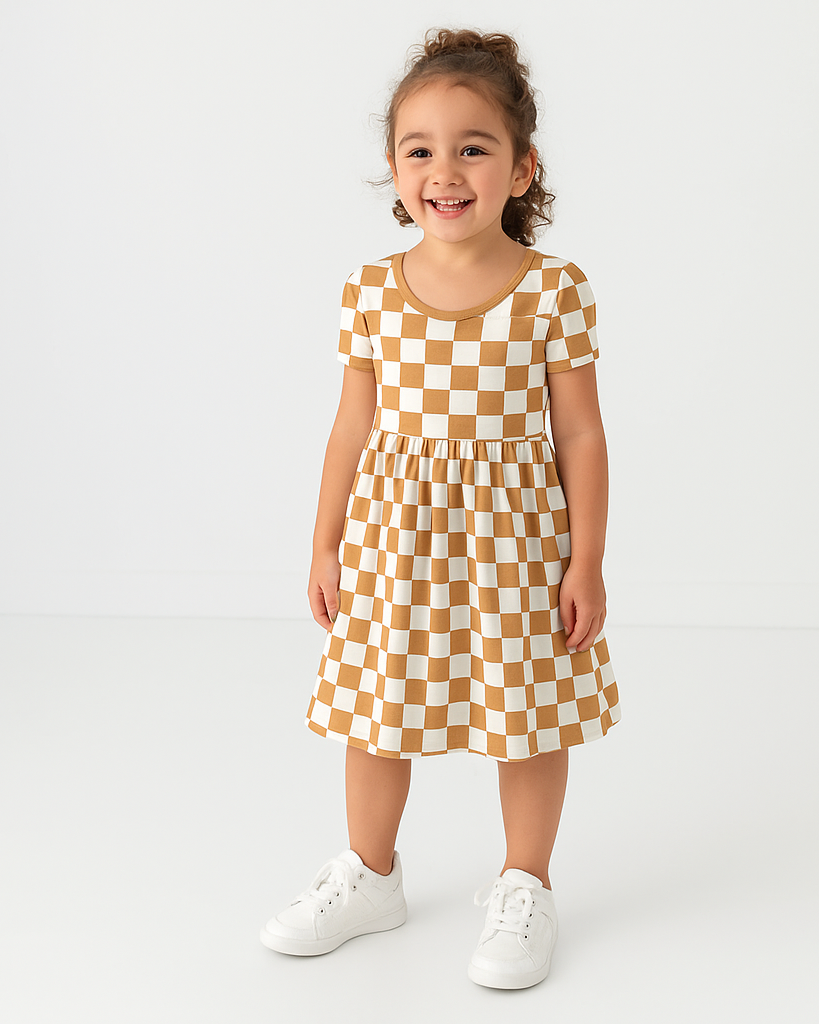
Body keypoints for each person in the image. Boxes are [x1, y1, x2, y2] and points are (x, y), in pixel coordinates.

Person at [260, 27, 622, 990]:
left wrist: (586, 561)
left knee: (527, 712)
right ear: (393, 168)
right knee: (377, 709)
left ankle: (526, 883)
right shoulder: (371, 291)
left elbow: (581, 434)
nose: (445, 171)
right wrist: (325, 543)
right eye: (419, 149)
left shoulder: (554, 291)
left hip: (518, 540)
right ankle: (370, 874)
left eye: (474, 147)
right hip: (397, 538)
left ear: (522, 167)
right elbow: (350, 426)